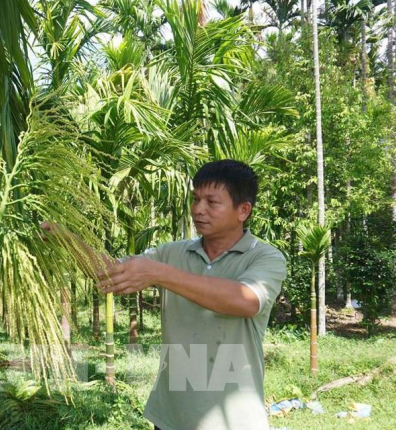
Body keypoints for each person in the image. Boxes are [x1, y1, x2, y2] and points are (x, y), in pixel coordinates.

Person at [42, 159, 287, 430]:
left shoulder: (265, 257)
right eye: (195, 199)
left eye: (211, 202)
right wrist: (65, 239)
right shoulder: (173, 253)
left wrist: (161, 274)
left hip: (233, 419)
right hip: (171, 416)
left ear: (243, 210)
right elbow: (111, 271)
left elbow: (246, 300)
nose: (198, 210)